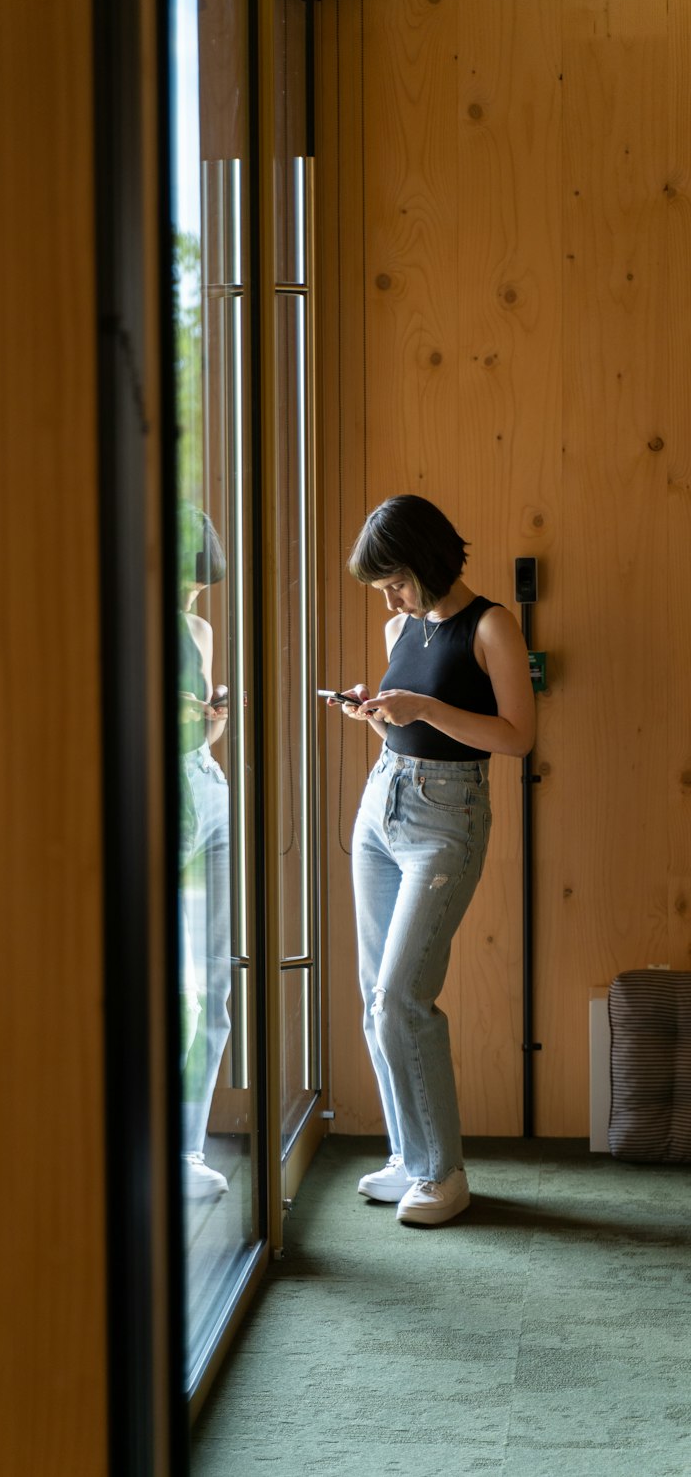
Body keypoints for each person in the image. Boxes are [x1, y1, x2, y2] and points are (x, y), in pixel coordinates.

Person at [338, 494, 535, 1226]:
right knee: (374, 997)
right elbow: (411, 718)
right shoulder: (402, 623)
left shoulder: (491, 626)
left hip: (446, 818)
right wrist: (381, 711)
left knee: (401, 998)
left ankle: (443, 1174)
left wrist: (422, 710)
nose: (389, 599)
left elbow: (516, 736)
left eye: (395, 580)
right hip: (381, 806)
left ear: (424, 561)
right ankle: (410, 1158)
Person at [178, 505, 233, 1201]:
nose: (193, 602)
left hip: (207, 789)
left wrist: (210, 723)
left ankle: (186, 1150)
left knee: (214, 989)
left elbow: (198, 741)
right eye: (185, 585)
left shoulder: (197, 629)